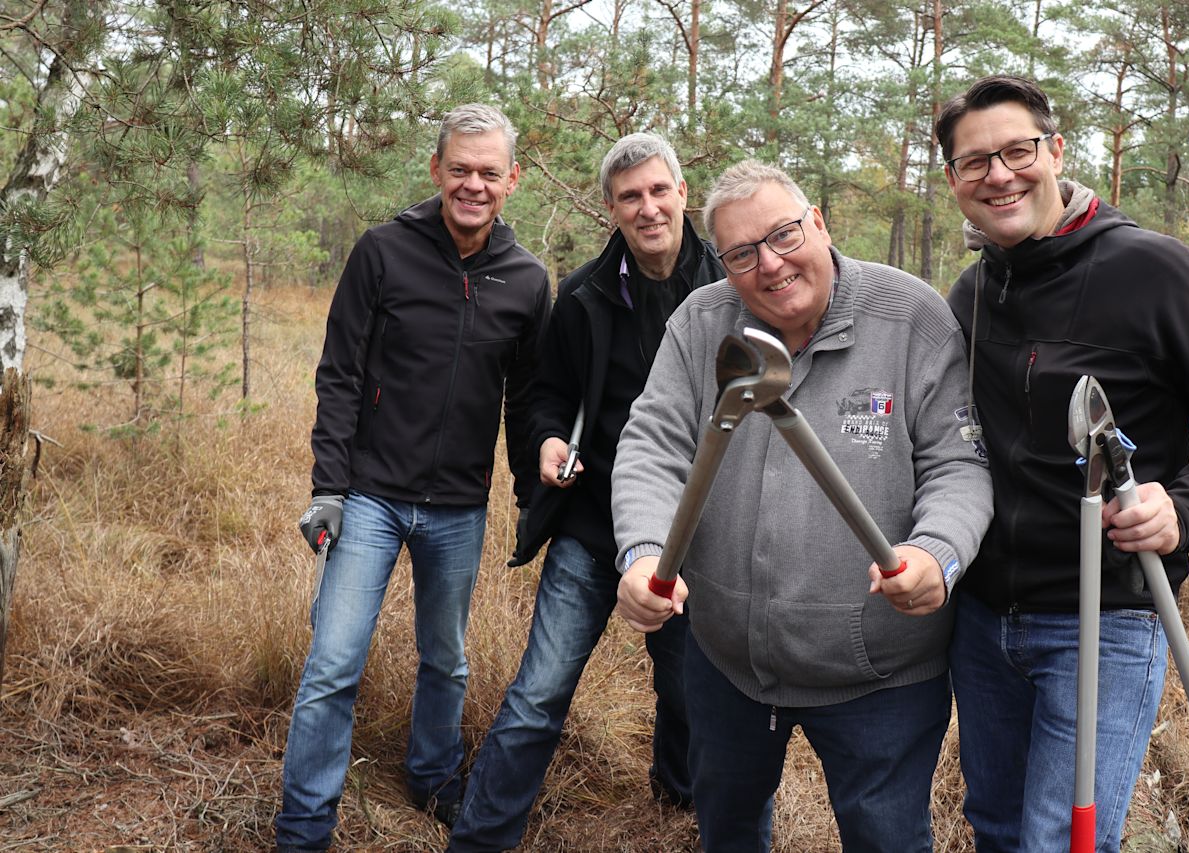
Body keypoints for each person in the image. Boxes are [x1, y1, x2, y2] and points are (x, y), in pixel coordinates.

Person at [935, 74, 1189, 853]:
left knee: (1060, 841)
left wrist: (1181, 509)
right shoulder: (974, 292)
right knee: (994, 827)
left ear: (1055, 151)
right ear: (953, 181)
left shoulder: (1157, 271)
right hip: (985, 620)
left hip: (1107, 617)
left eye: (1018, 150)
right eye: (974, 162)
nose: (999, 174)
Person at [611, 159, 993, 852]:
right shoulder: (702, 323)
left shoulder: (910, 318)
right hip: (728, 660)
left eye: (784, 235)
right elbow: (651, 446)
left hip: (879, 671)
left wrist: (937, 552)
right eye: (741, 253)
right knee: (726, 825)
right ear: (723, 263)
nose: (770, 264)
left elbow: (959, 463)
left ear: (818, 221)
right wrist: (642, 553)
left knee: (885, 837)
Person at [274, 103, 551, 853]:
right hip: (368, 496)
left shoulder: (527, 281)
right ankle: (303, 827)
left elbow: (526, 405)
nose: (473, 184)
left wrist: (532, 499)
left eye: (489, 172)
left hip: (460, 507)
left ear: (512, 180)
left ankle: (433, 780)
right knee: (333, 660)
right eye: (459, 168)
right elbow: (339, 374)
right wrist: (329, 486)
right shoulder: (383, 252)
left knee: (447, 658)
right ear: (436, 170)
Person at [445, 132, 723, 853]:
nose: (648, 207)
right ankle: (481, 836)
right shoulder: (583, 294)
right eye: (630, 196)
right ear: (610, 208)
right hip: (594, 527)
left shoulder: (730, 286)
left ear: (683, 193)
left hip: (699, 532)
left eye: (660, 190)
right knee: (540, 693)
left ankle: (678, 795)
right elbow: (547, 395)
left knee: (689, 690)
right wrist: (546, 441)